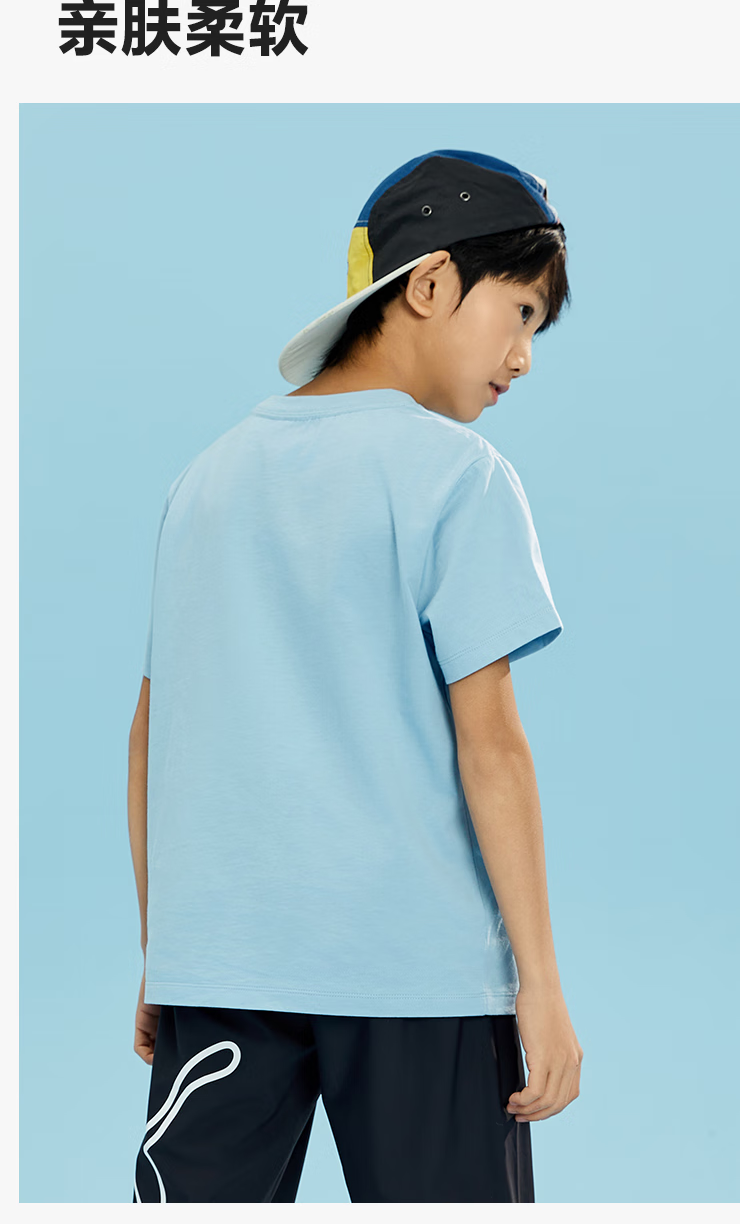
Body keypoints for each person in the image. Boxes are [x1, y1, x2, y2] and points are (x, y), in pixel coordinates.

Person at [127, 148, 584, 1204]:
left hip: (223, 977)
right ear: (429, 284)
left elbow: (154, 736)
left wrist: (166, 951)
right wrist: (541, 985)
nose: (523, 357)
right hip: (421, 977)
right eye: (520, 311)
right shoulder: (460, 477)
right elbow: (493, 748)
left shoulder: (205, 479)